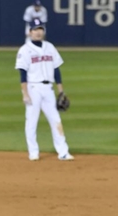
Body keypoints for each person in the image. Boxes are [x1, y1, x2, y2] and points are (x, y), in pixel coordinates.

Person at [15, 19, 74, 161]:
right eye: (35, 29)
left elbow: (56, 69)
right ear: (30, 32)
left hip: (49, 89)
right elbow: (22, 73)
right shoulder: (25, 50)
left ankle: (63, 152)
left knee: (56, 119)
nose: (38, 32)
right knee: (31, 121)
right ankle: (33, 152)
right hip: (33, 88)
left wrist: (60, 90)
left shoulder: (50, 47)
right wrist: (25, 93)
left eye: (40, 29)